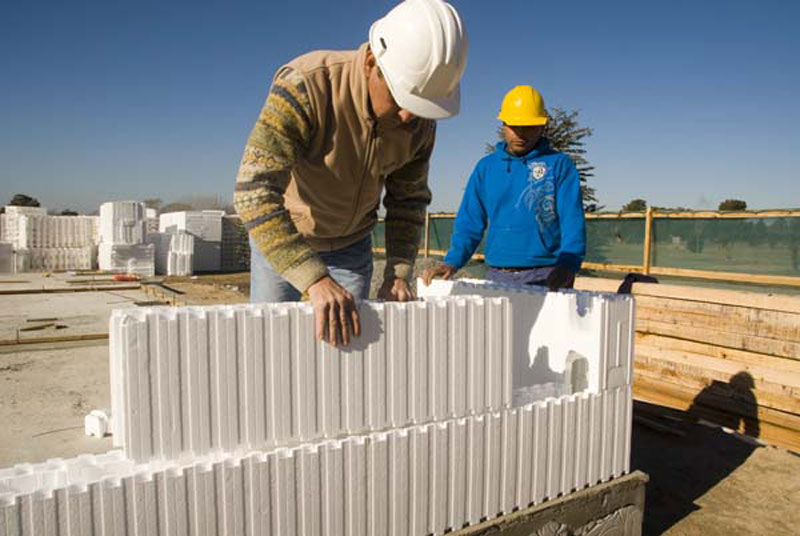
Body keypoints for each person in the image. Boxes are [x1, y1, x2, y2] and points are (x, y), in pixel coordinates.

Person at [234, 0, 468, 346]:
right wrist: (313, 278)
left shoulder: (419, 123)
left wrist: (398, 272)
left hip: (351, 246)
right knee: (270, 344)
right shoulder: (307, 85)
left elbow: (408, 201)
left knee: (347, 349)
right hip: (288, 237)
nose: (408, 117)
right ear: (372, 62)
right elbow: (254, 193)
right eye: (400, 98)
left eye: (419, 107)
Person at [422, 86, 586, 290]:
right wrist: (452, 262)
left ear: (542, 126)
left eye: (529, 126)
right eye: (514, 126)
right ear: (503, 125)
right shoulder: (486, 168)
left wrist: (568, 265)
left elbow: (572, 220)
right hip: (497, 275)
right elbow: (469, 222)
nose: (521, 133)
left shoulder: (559, 165)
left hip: (549, 273)